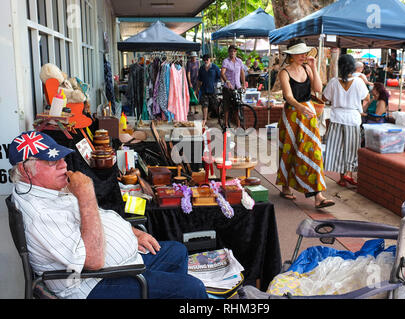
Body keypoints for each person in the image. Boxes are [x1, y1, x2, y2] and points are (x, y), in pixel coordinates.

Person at [8, 131, 208, 299]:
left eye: (62, 158)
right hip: (93, 284)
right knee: (192, 290)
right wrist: (86, 194)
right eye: (53, 162)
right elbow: (93, 262)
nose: (64, 166)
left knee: (177, 251)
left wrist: (133, 233)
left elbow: (98, 217)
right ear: (26, 170)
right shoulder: (40, 214)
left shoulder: (45, 188)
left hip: (119, 264)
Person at [275, 41, 335, 209]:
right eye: (300, 53)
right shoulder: (284, 72)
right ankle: (286, 187)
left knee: (313, 151)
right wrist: (301, 107)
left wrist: (314, 67)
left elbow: (317, 89)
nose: (303, 55)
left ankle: (318, 196)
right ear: (291, 55)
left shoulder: (308, 68)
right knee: (290, 150)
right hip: (292, 115)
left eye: (305, 53)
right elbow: (288, 96)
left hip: (308, 114)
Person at [322, 54, 370, 187]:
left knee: (337, 148)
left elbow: (324, 98)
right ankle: (348, 174)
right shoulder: (359, 82)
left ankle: (342, 178)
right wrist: (360, 107)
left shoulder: (333, 82)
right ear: (353, 67)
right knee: (352, 148)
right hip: (352, 119)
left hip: (337, 118)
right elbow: (367, 97)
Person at [221, 45, 246, 128]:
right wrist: (227, 81)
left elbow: (242, 73)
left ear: (236, 52)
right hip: (228, 87)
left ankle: (238, 126)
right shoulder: (226, 61)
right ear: (229, 52)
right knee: (226, 107)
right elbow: (222, 73)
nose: (233, 53)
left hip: (237, 86)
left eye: (234, 51)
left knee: (238, 106)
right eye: (231, 51)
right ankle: (226, 124)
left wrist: (243, 84)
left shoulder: (239, 61)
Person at [197, 54, 221, 126]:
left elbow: (219, 77)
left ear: (210, 59)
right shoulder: (201, 68)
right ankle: (204, 119)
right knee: (204, 105)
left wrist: (218, 85)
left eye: (207, 59)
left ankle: (219, 118)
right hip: (204, 89)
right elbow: (199, 80)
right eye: (204, 60)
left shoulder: (215, 67)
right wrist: (198, 89)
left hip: (213, 89)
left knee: (216, 105)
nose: (206, 61)